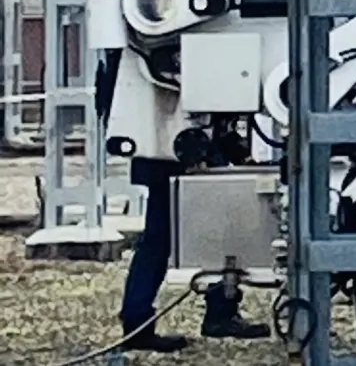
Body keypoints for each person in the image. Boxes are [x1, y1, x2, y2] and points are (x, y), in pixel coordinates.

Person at [99, 55, 270, 351]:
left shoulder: (138, 55)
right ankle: (212, 311)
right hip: (172, 144)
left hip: (166, 144)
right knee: (191, 235)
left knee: (166, 238)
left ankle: (140, 320)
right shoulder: (155, 55)